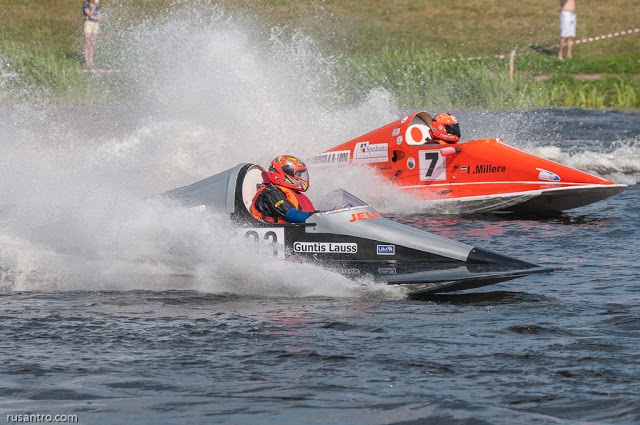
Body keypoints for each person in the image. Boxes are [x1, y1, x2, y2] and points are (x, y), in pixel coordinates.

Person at [251, 155, 316, 224]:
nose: (300, 177)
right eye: (298, 174)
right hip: (286, 232)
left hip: (298, 231)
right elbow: (294, 217)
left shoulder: (291, 193)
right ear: (287, 173)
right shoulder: (270, 193)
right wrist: (318, 216)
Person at [82, 0, 102, 69]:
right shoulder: (86, 5)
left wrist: (92, 17)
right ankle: (87, 61)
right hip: (88, 24)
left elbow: (100, 17)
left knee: (93, 43)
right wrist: (93, 9)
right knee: (88, 42)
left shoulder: (97, 7)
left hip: (95, 24)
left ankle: (91, 60)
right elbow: (89, 15)